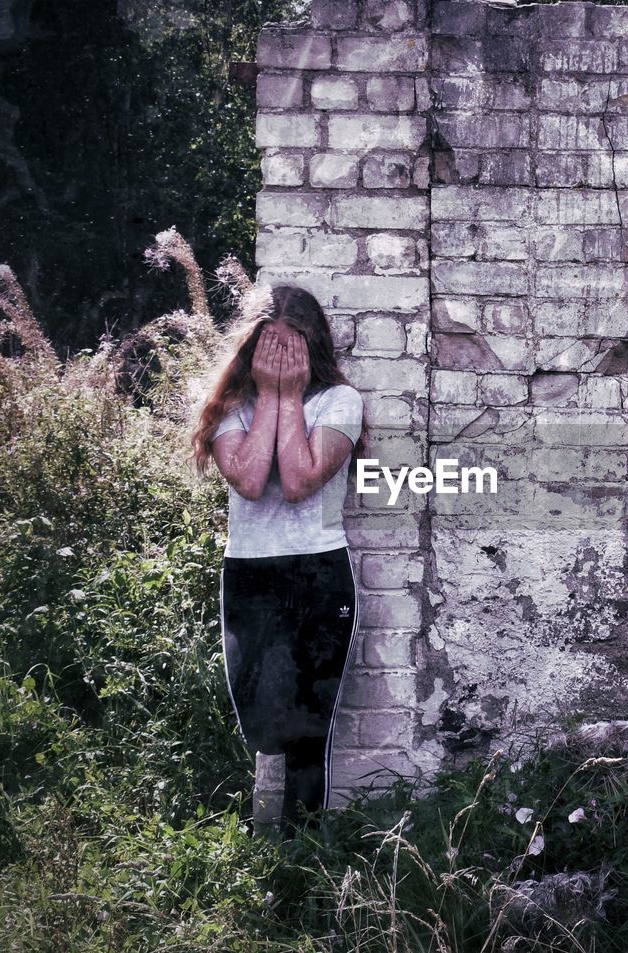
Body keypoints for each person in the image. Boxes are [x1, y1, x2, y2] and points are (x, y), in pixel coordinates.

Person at [189, 284, 365, 839]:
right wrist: (270, 395)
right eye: (271, 349)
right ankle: (272, 839)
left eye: (293, 349)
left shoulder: (340, 403)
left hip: (319, 574)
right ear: (251, 350)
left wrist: (287, 398)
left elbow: (297, 481)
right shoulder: (228, 409)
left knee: (311, 731)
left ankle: (304, 861)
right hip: (252, 574)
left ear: (314, 348)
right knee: (263, 724)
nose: (282, 360)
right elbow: (246, 478)